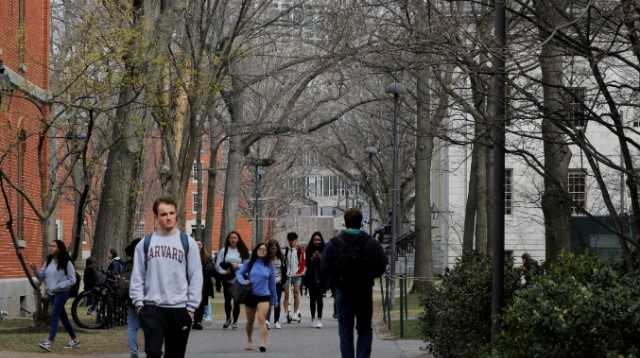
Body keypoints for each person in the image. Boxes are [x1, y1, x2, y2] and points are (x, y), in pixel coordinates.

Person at [129, 197, 203, 358]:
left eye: (171, 213)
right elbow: (137, 276)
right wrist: (139, 304)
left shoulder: (188, 243)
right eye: (163, 214)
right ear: (156, 217)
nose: (168, 217)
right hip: (152, 308)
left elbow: (196, 276)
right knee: (153, 352)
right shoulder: (145, 244)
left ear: (176, 215)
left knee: (175, 354)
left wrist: (191, 308)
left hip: (180, 309)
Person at [321, 208, 387, 358]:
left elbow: (324, 266)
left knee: (345, 330)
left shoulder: (334, 243)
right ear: (361, 221)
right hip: (364, 289)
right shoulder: (371, 243)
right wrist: (370, 276)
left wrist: (335, 280)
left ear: (345, 222)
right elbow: (382, 264)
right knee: (364, 329)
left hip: (343, 290)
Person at [30, 240, 80, 352]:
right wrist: (35, 271)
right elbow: (42, 277)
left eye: (53, 246)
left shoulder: (67, 262)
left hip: (62, 293)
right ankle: (75, 340)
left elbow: (72, 279)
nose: (50, 248)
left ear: (59, 248)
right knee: (63, 317)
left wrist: (58, 286)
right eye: (50, 246)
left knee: (54, 314)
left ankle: (49, 341)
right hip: (51, 293)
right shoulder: (48, 261)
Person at [235, 242, 277, 353]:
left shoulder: (269, 265)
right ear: (256, 251)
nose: (262, 251)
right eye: (260, 249)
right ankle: (249, 339)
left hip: (264, 295)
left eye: (264, 249)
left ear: (267, 252)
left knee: (261, 318)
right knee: (250, 321)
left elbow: (272, 284)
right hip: (250, 295)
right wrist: (244, 281)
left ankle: (263, 343)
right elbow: (239, 273)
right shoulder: (249, 263)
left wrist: (274, 300)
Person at [215, 230, 250, 329]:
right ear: (228, 239)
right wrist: (224, 272)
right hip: (227, 278)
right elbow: (218, 265)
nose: (233, 240)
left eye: (235, 238)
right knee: (227, 300)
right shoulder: (223, 251)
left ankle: (235, 321)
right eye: (231, 238)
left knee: (236, 301)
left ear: (238, 239)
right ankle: (228, 319)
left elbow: (247, 265)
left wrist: (238, 265)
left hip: (238, 279)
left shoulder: (243, 251)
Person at [124, 238, 142, 358]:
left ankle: (134, 351)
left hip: (130, 298)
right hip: (144, 298)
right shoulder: (145, 262)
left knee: (132, 326)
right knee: (150, 325)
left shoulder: (128, 264)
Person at [305, 231, 326, 328]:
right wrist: (313, 257)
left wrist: (320, 256)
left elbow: (326, 263)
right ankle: (313, 318)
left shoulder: (325, 249)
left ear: (321, 240)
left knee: (320, 298)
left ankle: (319, 319)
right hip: (311, 277)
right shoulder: (309, 249)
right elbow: (307, 264)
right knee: (312, 299)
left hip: (321, 277)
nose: (317, 241)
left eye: (318, 239)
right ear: (312, 240)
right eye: (315, 240)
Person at [283, 232, 305, 323]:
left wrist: (299, 272)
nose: (291, 243)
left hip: (297, 275)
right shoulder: (286, 251)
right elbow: (284, 263)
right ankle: (287, 313)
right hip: (287, 275)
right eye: (290, 241)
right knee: (286, 294)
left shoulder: (300, 250)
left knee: (296, 293)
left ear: (296, 240)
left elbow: (303, 263)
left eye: (293, 241)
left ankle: (296, 312)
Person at [193, 240, 215, 330]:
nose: (198, 246)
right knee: (193, 302)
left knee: (201, 303)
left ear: (202, 246)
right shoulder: (189, 255)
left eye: (200, 244)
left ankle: (198, 321)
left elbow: (212, 269)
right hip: (192, 283)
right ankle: (194, 320)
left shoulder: (207, 257)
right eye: (197, 244)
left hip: (204, 284)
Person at [266, 239, 286, 329]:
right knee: (269, 302)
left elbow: (284, 271)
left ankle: (277, 321)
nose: (273, 250)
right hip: (268, 283)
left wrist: (283, 282)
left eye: (275, 248)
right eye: (271, 248)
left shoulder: (281, 258)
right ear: (269, 249)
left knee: (277, 302)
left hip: (278, 283)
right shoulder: (266, 258)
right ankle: (267, 320)